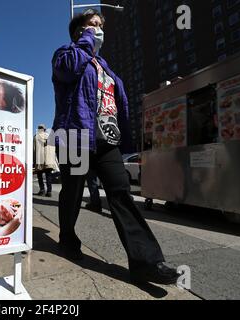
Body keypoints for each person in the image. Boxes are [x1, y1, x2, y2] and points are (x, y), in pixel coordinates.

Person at [51, 9, 179, 285]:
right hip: (76, 135)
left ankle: (147, 262)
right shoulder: (67, 53)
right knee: (72, 193)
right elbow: (66, 71)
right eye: (91, 25)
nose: (97, 30)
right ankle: (67, 238)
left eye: (100, 26)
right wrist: (85, 42)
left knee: (121, 194)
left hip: (107, 140)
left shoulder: (105, 66)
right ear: (79, 31)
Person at [34, 124, 59, 197]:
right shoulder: (49, 137)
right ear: (44, 129)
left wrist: (34, 161)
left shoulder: (36, 137)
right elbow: (53, 149)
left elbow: (34, 149)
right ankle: (49, 191)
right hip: (49, 160)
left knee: (40, 176)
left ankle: (42, 190)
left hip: (39, 159)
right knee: (48, 176)